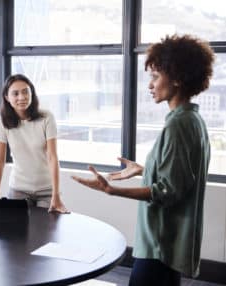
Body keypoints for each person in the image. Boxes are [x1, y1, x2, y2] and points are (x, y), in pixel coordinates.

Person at [72, 34, 214, 286]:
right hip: (168, 246)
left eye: (155, 77)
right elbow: (181, 175)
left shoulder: (178, 125)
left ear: (178, 79)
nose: (150, 85)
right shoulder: (193, 120)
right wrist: (143, 169)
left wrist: (112, 190)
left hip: (159, 246)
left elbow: (169, 191)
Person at [0, 74, 69, 213]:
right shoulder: (3, 122)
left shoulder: (46, 118)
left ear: (32, 93)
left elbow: (52, 157)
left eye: (25, 91)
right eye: (15, 93)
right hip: (19, 190)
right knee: (16, 232)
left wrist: (56, 195)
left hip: (47, 190)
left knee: (45, 231)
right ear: (7, 97)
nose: (22, 97)